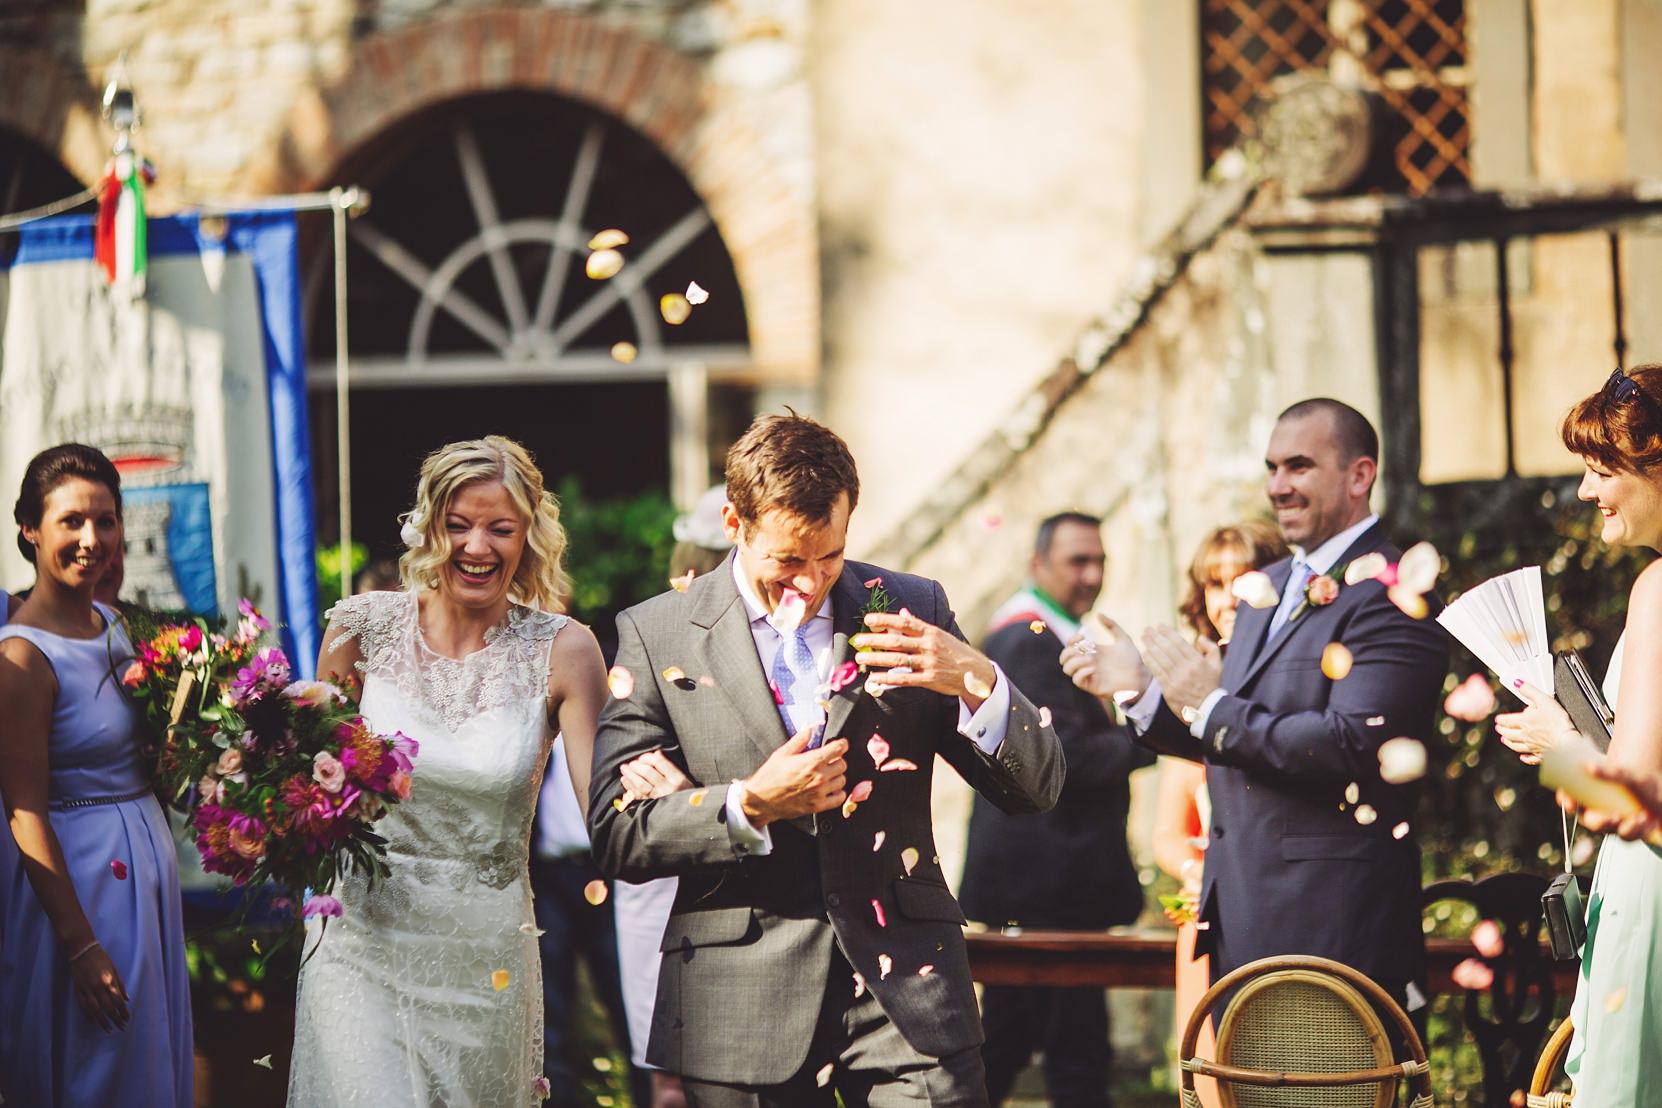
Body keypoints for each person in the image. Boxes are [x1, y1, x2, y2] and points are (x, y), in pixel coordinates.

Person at [586, 412, 1065, 1107]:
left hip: (908, 995)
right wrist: (748, 803)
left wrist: (976, 678)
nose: (809, 583)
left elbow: (1036, 789)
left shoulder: (909, 606)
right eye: (787, 560)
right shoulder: (657, 633)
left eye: (830, 558)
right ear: (733, 522)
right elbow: (617, 832)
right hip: (740, 1000)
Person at [1064, 398, 1448, 1025]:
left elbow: (1354, 745)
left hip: (1333, 925)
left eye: (1300, 467)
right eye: (1272, 468)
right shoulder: (1262, 590)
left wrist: (1209, 704)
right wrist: (1141, 692)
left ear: (1359, 475)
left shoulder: (1394, 593)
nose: (1278, 486)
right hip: (1240, 917)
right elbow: (1229, 738)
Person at [288, 436, 609, 1108]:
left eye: (500, 528)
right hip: (361, 941)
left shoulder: (566, 650)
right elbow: (314, 790)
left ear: (529, 535)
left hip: (484, 960)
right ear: (427, 529)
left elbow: (608, 812)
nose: (477, 547)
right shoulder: (359, 630)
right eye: (457, 526)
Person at [0, 443, 193, 1106]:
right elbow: (22, 807)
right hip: (81, 885)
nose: (92, 540)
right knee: (99, 1063)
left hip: (144, 875)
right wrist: (81, 946)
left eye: (106, 521)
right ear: (30, 528)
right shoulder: (22, 657)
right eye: (72, 522)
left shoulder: (116, 625)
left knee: (145, 1051)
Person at [1490, 365, 1662, 1107]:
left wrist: (1557, 742)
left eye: (1600, 471)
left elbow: (1632, 797)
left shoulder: (1659, 589)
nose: (1586, 492)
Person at [959, 511, 1154, 1107]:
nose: (1092, 574)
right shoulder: (1027, 637)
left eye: (1099, 560)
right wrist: (1154, 730)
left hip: (1052, 884)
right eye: (1077, 561)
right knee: (1068, 1049)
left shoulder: (1056, 632)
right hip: (1044, 882)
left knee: (1027, 1038)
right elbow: (1059, 757)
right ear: (1038, 564)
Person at [1149, 521, 1285, 1108]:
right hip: (1209, 911)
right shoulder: (1186, 684)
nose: (1227, 598)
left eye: (1241, 579)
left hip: (1287, 902)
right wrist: (1197, 868)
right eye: (1214, 583)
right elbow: (1167, 833)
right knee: (1213, 1074)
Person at [609, 484, 735, 1108]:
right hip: (660, 881)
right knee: (672, 1073)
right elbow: (636, 782)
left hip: (740, 880)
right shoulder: (652, 635)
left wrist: (698, 796)